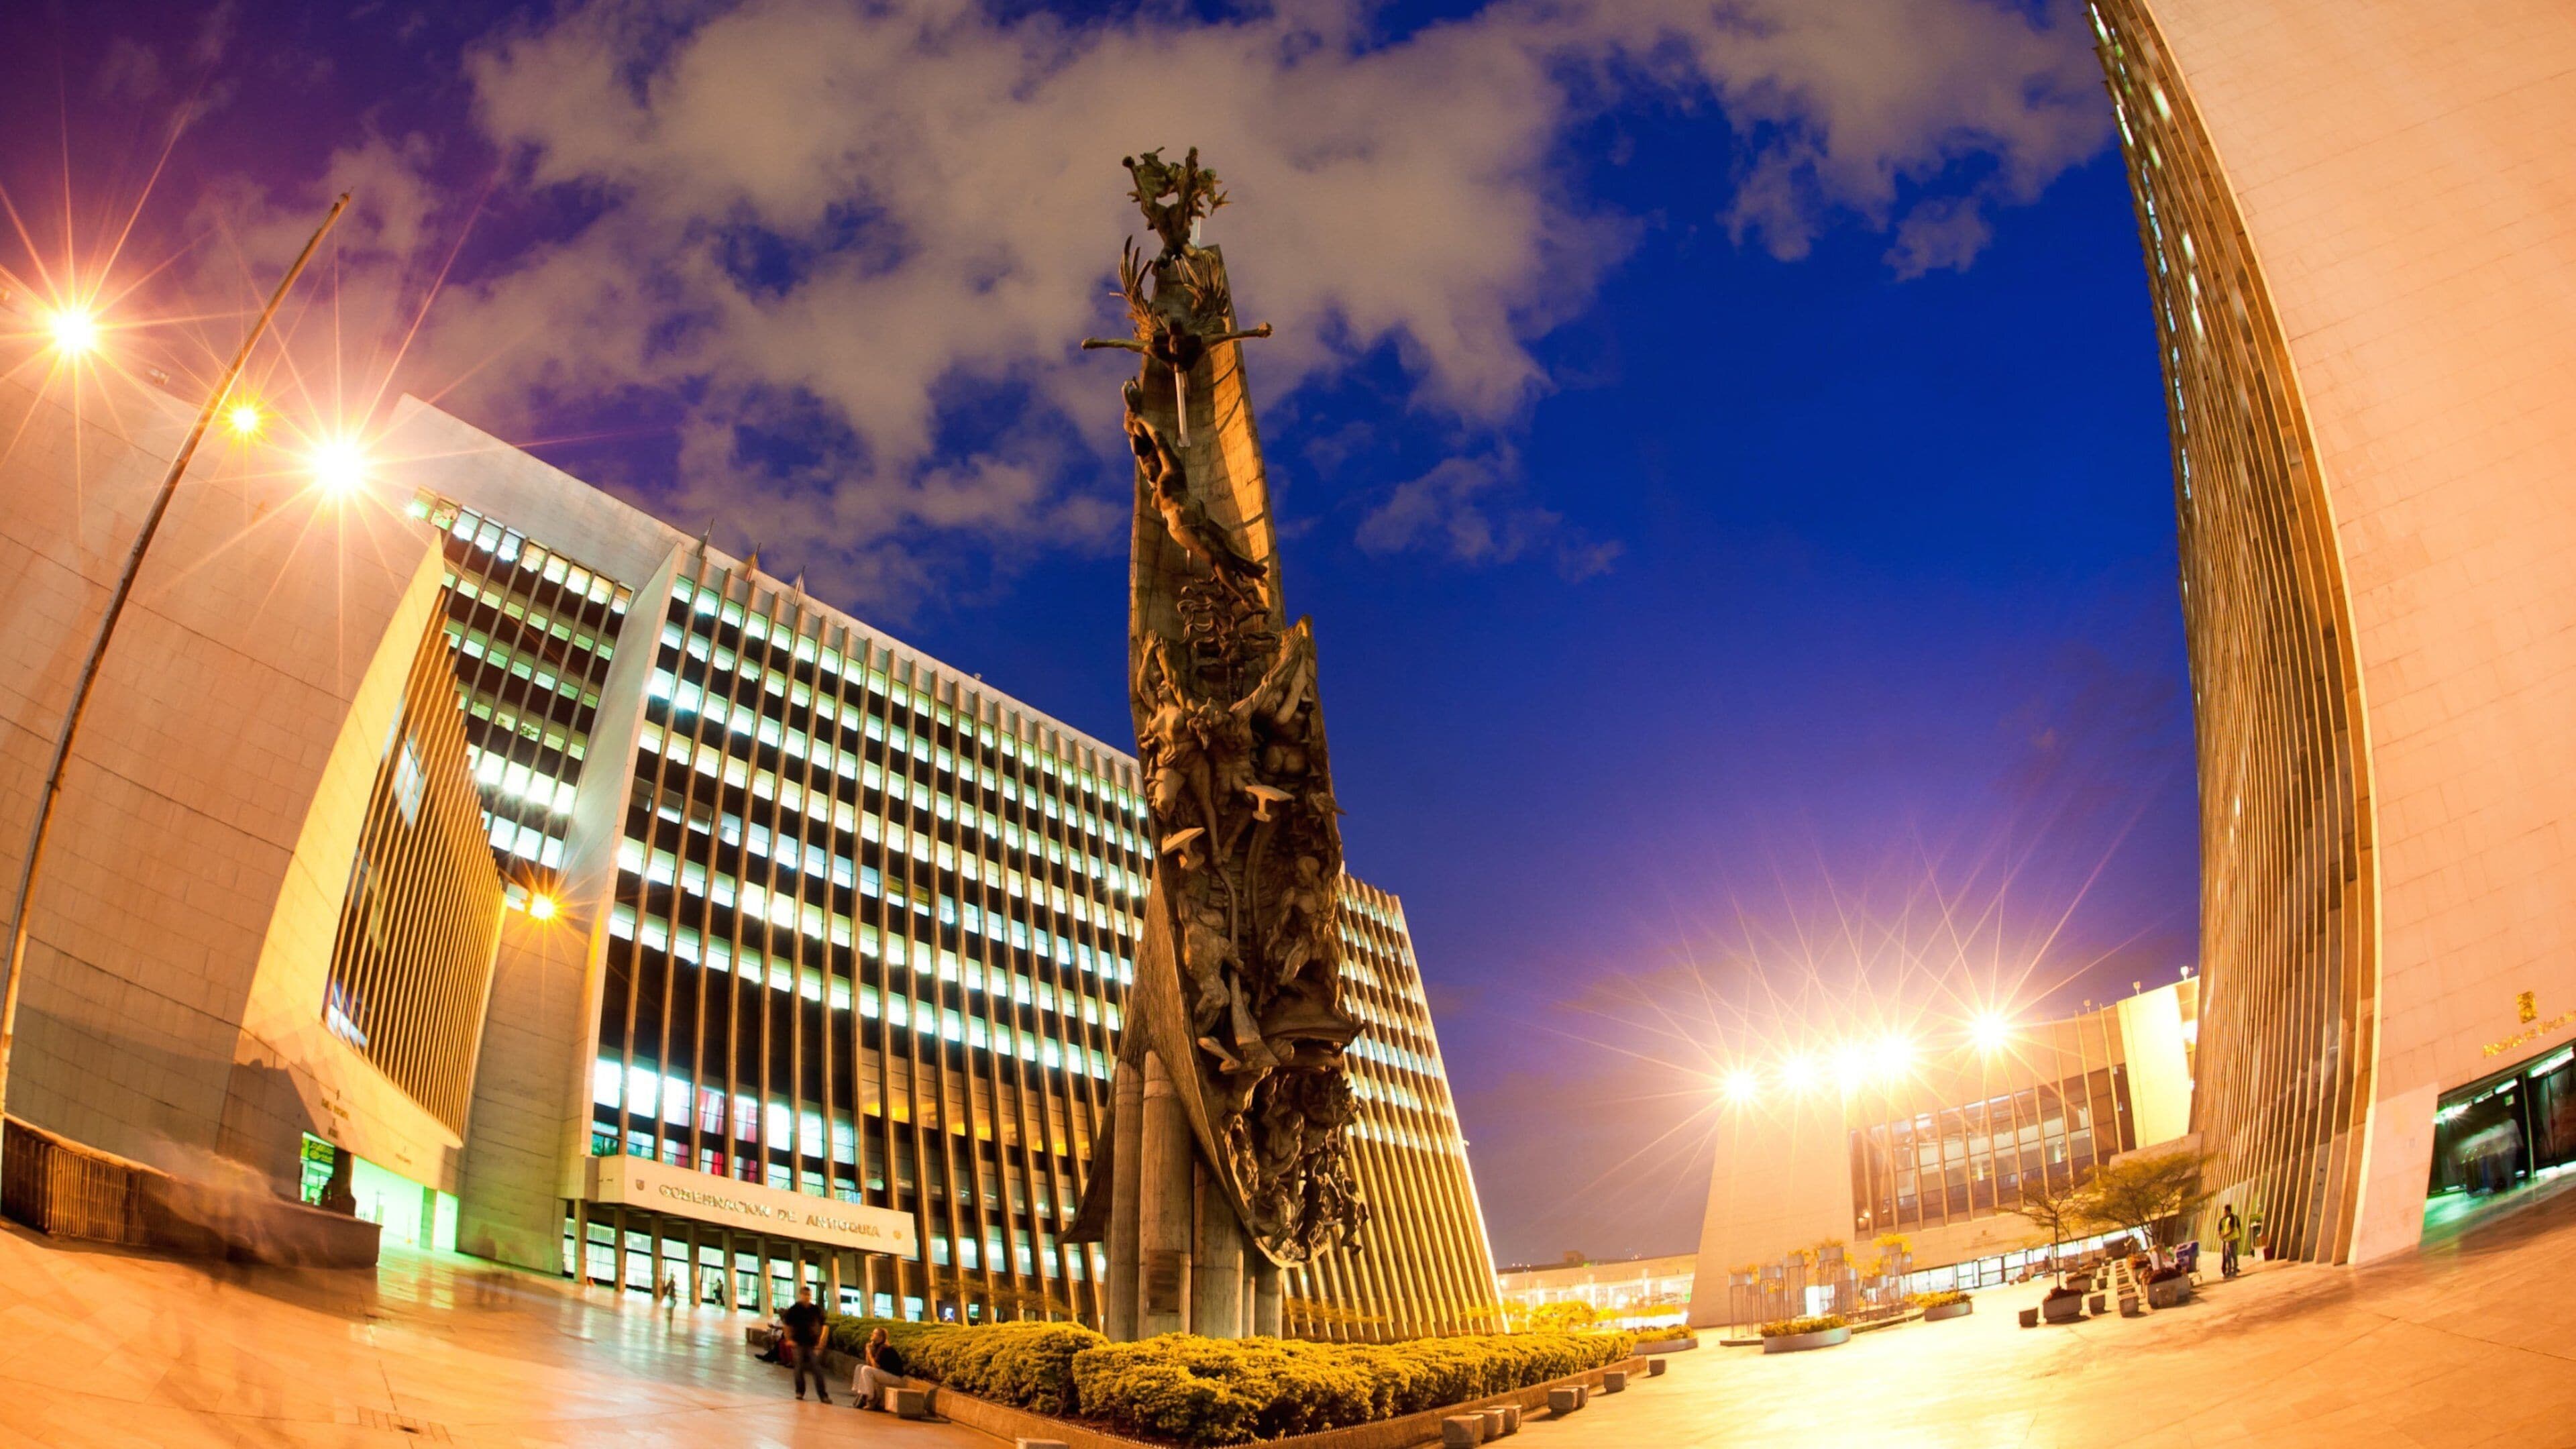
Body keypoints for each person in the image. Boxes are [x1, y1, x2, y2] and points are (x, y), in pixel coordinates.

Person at [781, 1289, 830, 1403]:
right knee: (798, 1368)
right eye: (804, 1295)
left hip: (812, 1344)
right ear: (801, 1295)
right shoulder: (794, 1309)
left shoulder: (815, 1310)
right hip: (798, 1343)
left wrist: (821, 1341)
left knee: (817, 1369)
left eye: (808, 1295)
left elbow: (824, 1325)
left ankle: (823, 1395)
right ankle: (800, 1391)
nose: (806, 1297)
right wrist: (789, 1340)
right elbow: (787, 1325)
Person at [851, 1326, 908, 1411]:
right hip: (886, 1374)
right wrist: (868, 1351)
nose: (872, 1335)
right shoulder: (877, 1346)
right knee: (860, 1367)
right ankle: (861, 1393)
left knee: (866, 1370)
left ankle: (870, 1399)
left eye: (874, 1334)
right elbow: (869, 1364)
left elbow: (875, 1366)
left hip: (895, 1378)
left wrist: (869, 1352)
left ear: (881, 1337)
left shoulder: (884, 1348)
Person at [2218, 1203, 2242, 1279]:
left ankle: (2234, 1271)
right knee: (2227, 1256)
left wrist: (2224, 1235)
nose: (2223, 1213)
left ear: (2227, 1211)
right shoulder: (2226, 1219)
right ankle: (2229, 1272)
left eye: (2224, 1211)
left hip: (2231, 1239)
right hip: (2228, 1240)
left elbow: (2232, 1230)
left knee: (2233, 1256)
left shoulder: (2232, 1218)